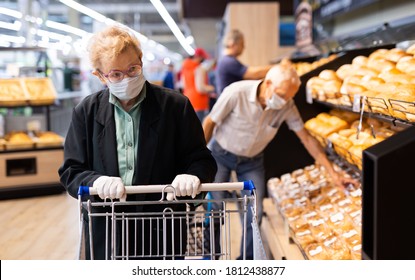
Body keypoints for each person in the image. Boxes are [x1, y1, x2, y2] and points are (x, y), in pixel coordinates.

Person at [58, 25, 217, 260]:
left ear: (141, 61)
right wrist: (96, 181)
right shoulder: (87, 112)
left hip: (163, 225)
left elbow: (202, 160)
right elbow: (71, 171)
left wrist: (192, 176)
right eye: (115, 74)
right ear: (100, 76)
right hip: (107, 227)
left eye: (133, 69)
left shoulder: (175, 106)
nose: (127, 78)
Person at [202, 63, 357, 259]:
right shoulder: (236, 93)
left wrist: (334, 174)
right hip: (221, 155)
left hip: (252, 161)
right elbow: (210, 122)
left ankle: (246, 261)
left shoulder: (286, 105)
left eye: (290, 97)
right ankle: (210, 257)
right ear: (268, 83)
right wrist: (199, 158)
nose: (285, 101)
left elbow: (307, 139)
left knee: (254, 213)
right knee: (215, 209)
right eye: (282, 95)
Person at [216, 29, 276, 95]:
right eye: (242, 44)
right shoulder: (228, 61)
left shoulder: (225, 60)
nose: (243, 47)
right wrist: (278, 67)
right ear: (232, 43)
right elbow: (255, 74)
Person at [181, 48, 215, 122]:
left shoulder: (185, 67)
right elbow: (201, 88)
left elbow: (183, 84)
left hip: (188, 99)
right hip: (199, 101)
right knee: (199, 129)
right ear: (200, 57)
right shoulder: (199, 68)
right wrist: (213, 88)